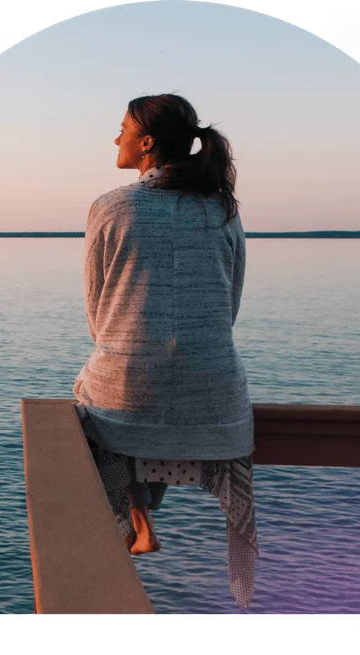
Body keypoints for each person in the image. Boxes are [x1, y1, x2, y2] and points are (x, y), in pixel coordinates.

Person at [73, 93, 258, 609]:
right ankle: (143, 514)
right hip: (216, 393)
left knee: (96, 397)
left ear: (146, 143)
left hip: (130, 389)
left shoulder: (111, 207)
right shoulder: (222, 209)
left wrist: (130, 346)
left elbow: (97, 312)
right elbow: (229, 303)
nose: (116, 137)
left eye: (123, 129)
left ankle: (136, 517)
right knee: (149, 400)